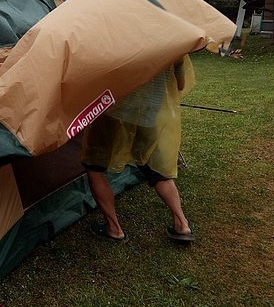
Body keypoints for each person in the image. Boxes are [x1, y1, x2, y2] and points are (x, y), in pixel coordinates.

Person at [81, 56, 196, 243]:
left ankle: (114, 229)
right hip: (148, 115)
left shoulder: (115, 37)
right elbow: (180, 85)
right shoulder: (175, 40)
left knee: (94, 166)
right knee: (156, 170)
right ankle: (182, 225)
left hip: (112, 113)